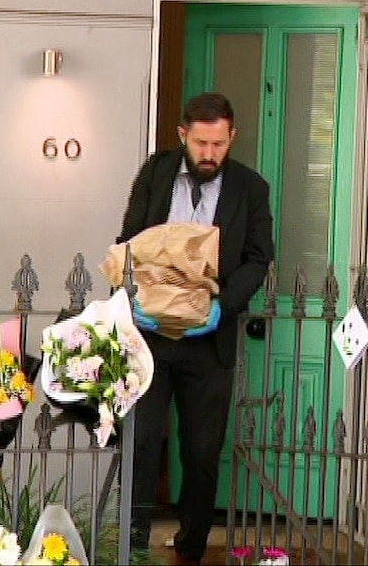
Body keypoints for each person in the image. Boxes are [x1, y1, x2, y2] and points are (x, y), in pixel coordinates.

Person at [118, 92, 275, 565]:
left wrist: (221, 309)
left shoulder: (251, 188)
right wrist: (133, 300)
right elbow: (128, 239)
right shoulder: (156, 172)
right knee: (142, 443)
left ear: (233, 138)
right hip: (150, 336)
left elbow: (258, 259)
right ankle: (131, 546)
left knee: (203, 451)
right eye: (202, 143)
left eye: (219, 144)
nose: (210, 154)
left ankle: (190, 550)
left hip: (209, 342)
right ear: (184, 135)